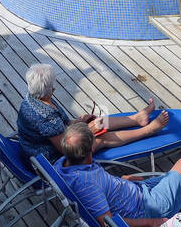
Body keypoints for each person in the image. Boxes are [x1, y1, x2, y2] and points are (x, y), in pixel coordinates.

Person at [15, 62, 170, 162]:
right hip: (53, 159)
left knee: (99, 122)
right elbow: (65, 149)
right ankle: (148, 130)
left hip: (40, 147)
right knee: (100, 138)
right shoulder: (45, 116)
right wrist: (89, 130)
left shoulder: (33, 97)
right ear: (51, 88)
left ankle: (137, 119)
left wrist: (78, 122)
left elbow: (59, 126)